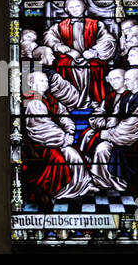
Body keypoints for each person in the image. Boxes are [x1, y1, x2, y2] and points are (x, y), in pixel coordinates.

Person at [21, 70, 92, 204]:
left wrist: (69, 130)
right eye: (41, 81)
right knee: (60, 159)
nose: (45, 83)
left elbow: (63, 115)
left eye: (46, 80)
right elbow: (41, 127)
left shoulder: (50, 98)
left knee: (75, 154)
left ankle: (79, 186)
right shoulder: (32, 102)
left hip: (55, 138)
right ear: (31, 84)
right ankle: (62, 190)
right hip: (40, 143)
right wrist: (63, 138)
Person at [42, 0, 117, 105]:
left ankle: (95, 101)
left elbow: (108, 40)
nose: (75, 9)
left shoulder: (96, 24)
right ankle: (69, 101)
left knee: (96, 67)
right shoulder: (59, 26)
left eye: (77, 6)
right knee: (63, 66)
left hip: (91, 58)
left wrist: (94, 51)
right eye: (71, 7)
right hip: (69, 58)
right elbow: (49, 37)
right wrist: (59, 46)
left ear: (84, 7)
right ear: (66, 10)